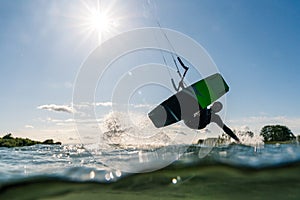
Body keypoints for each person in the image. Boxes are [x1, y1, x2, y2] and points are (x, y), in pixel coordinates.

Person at [174, 57, 240, 143]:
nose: (216, 107)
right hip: (189, 120)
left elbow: (225, 128)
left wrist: (237, 140)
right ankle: (184, 108)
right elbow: (192, 99)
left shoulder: (215, 117)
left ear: (218, 111)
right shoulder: (204, 106)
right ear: (213, 104)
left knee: (201, 104)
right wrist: (182, 87)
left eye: (218, 108)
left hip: (200, 124)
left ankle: (188, 106)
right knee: (197, 103)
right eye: (216, 105)